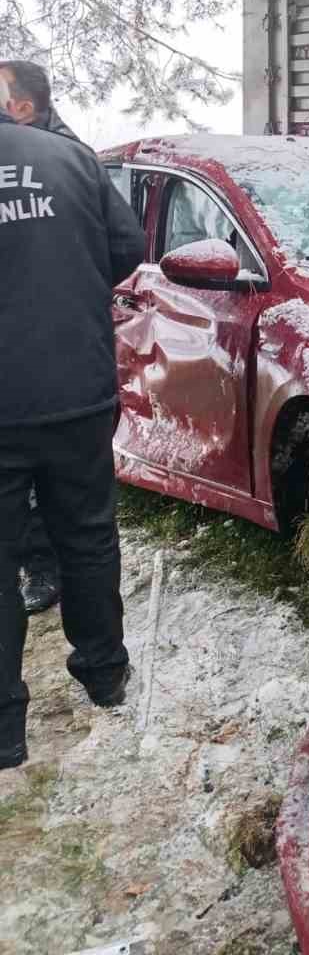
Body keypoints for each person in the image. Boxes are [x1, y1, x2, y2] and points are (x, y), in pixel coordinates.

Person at [0, 73, 146, 769]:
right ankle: (104, 673)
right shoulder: (71, 158)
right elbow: (129, 250)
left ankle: (5, 730)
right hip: (76, 384)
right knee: (88, 535)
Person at [0, 61, 86, 617]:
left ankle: (53, 567)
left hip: (60, 342)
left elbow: (120, 245)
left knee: (58, 479)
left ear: (24, 107)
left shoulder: (65, 158)